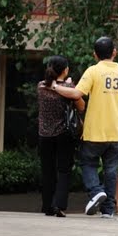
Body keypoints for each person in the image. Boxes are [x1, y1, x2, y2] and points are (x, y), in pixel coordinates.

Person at [54, 36, 118, 217]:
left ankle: (96, 191)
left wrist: (56, 88)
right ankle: (108, 210)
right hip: (117, 132)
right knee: (111, 171)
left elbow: (76, 93)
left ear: (94, 54)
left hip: (94, 132)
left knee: (88, 162)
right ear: (115, 52)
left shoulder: (93, 71)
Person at [37, 55, 85, 217]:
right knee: (63, 170)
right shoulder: (69, 87)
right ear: (65, 70)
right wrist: (69, 84)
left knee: (47, 170)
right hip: (64, 133)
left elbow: (50, 86)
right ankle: (59, 205)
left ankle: (47, 206)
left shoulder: (41, 86)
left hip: (44, 135)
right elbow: (81, 105)